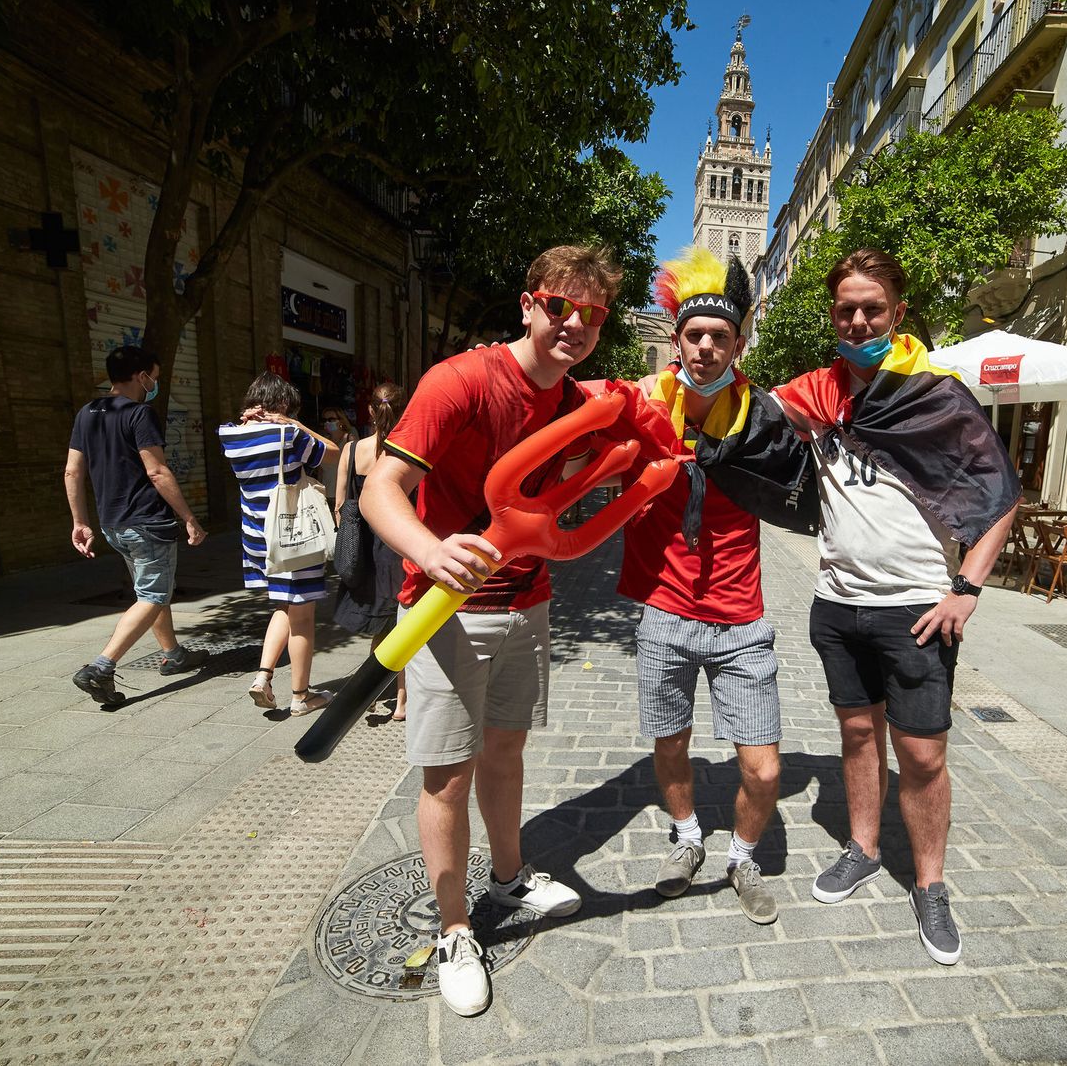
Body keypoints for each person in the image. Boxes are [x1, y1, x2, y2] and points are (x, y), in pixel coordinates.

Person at [360, 245, 622, 1017]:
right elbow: (381, 488)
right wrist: (429, 549)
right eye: (560, 305)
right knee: (447, 776)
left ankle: (508, 878)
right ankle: (453, 930)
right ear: (528, 303)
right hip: (446, 610)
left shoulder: (574, 402)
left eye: (593, 313)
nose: (575, 322)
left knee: (505, 753)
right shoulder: (462, 380)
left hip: (528, 603)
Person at [769, 249, 1019, 967]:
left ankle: (931, 884)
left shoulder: (937, 395)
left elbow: (1002, 494)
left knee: (922, 755)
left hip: (916, 609)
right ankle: (863, 847)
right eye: (846, 309)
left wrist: (966, 588)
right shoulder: (818, 394)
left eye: (872, 308)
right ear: (833, 315)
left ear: (897, 313)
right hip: (837, 604)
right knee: (857, 736)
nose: (858, 320)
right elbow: (733, 406)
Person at [620, 247, 782, 925]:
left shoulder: (764, 414)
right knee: (671, 742)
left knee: (764, 768)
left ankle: (742, 856)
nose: (706, 346)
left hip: (741, 616)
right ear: (677, 339)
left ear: (738, 343)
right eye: (695, 335)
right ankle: (688, 837)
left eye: (720, 335)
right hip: (666, 609)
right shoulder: (645, 405)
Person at [64, 346, 209, 706]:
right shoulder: (139, 413)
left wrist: (80, 522)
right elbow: (157, 471)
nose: (154, 384)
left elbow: (72, 472)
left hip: (113, 523)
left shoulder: (87, 412)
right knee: (153, 595)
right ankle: (101, 667)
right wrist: (189, 517)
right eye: (153, 378)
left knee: (152, 590)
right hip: (147, 521)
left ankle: (174, 655)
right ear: (141, 376)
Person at [218, 372, 339, 716]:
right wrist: (296, 424)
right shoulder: (289, 434)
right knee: (302, 617)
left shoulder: (229, 434)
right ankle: (301, 696)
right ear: (283, 404)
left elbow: (237, 425)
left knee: (285, 606)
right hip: (293, 536)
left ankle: (263, 677)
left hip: (259, 538)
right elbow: (333, 453)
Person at [332, 383, 411, 720]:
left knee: (381, 626)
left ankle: (372, 693)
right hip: (401, 544)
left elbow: (340, 506)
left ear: (369, 411)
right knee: (404, 624)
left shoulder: (352, 450)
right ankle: (403, 701)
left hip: (364, 548)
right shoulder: (408, 450)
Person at [319, 404, 358, 503]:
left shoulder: (349, 439)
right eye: (324, 420)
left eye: (331, 419)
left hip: (344, 495)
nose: (327, 422)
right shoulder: (324, 442)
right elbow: (320, 471)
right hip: (326, 494)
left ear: (341, 421)